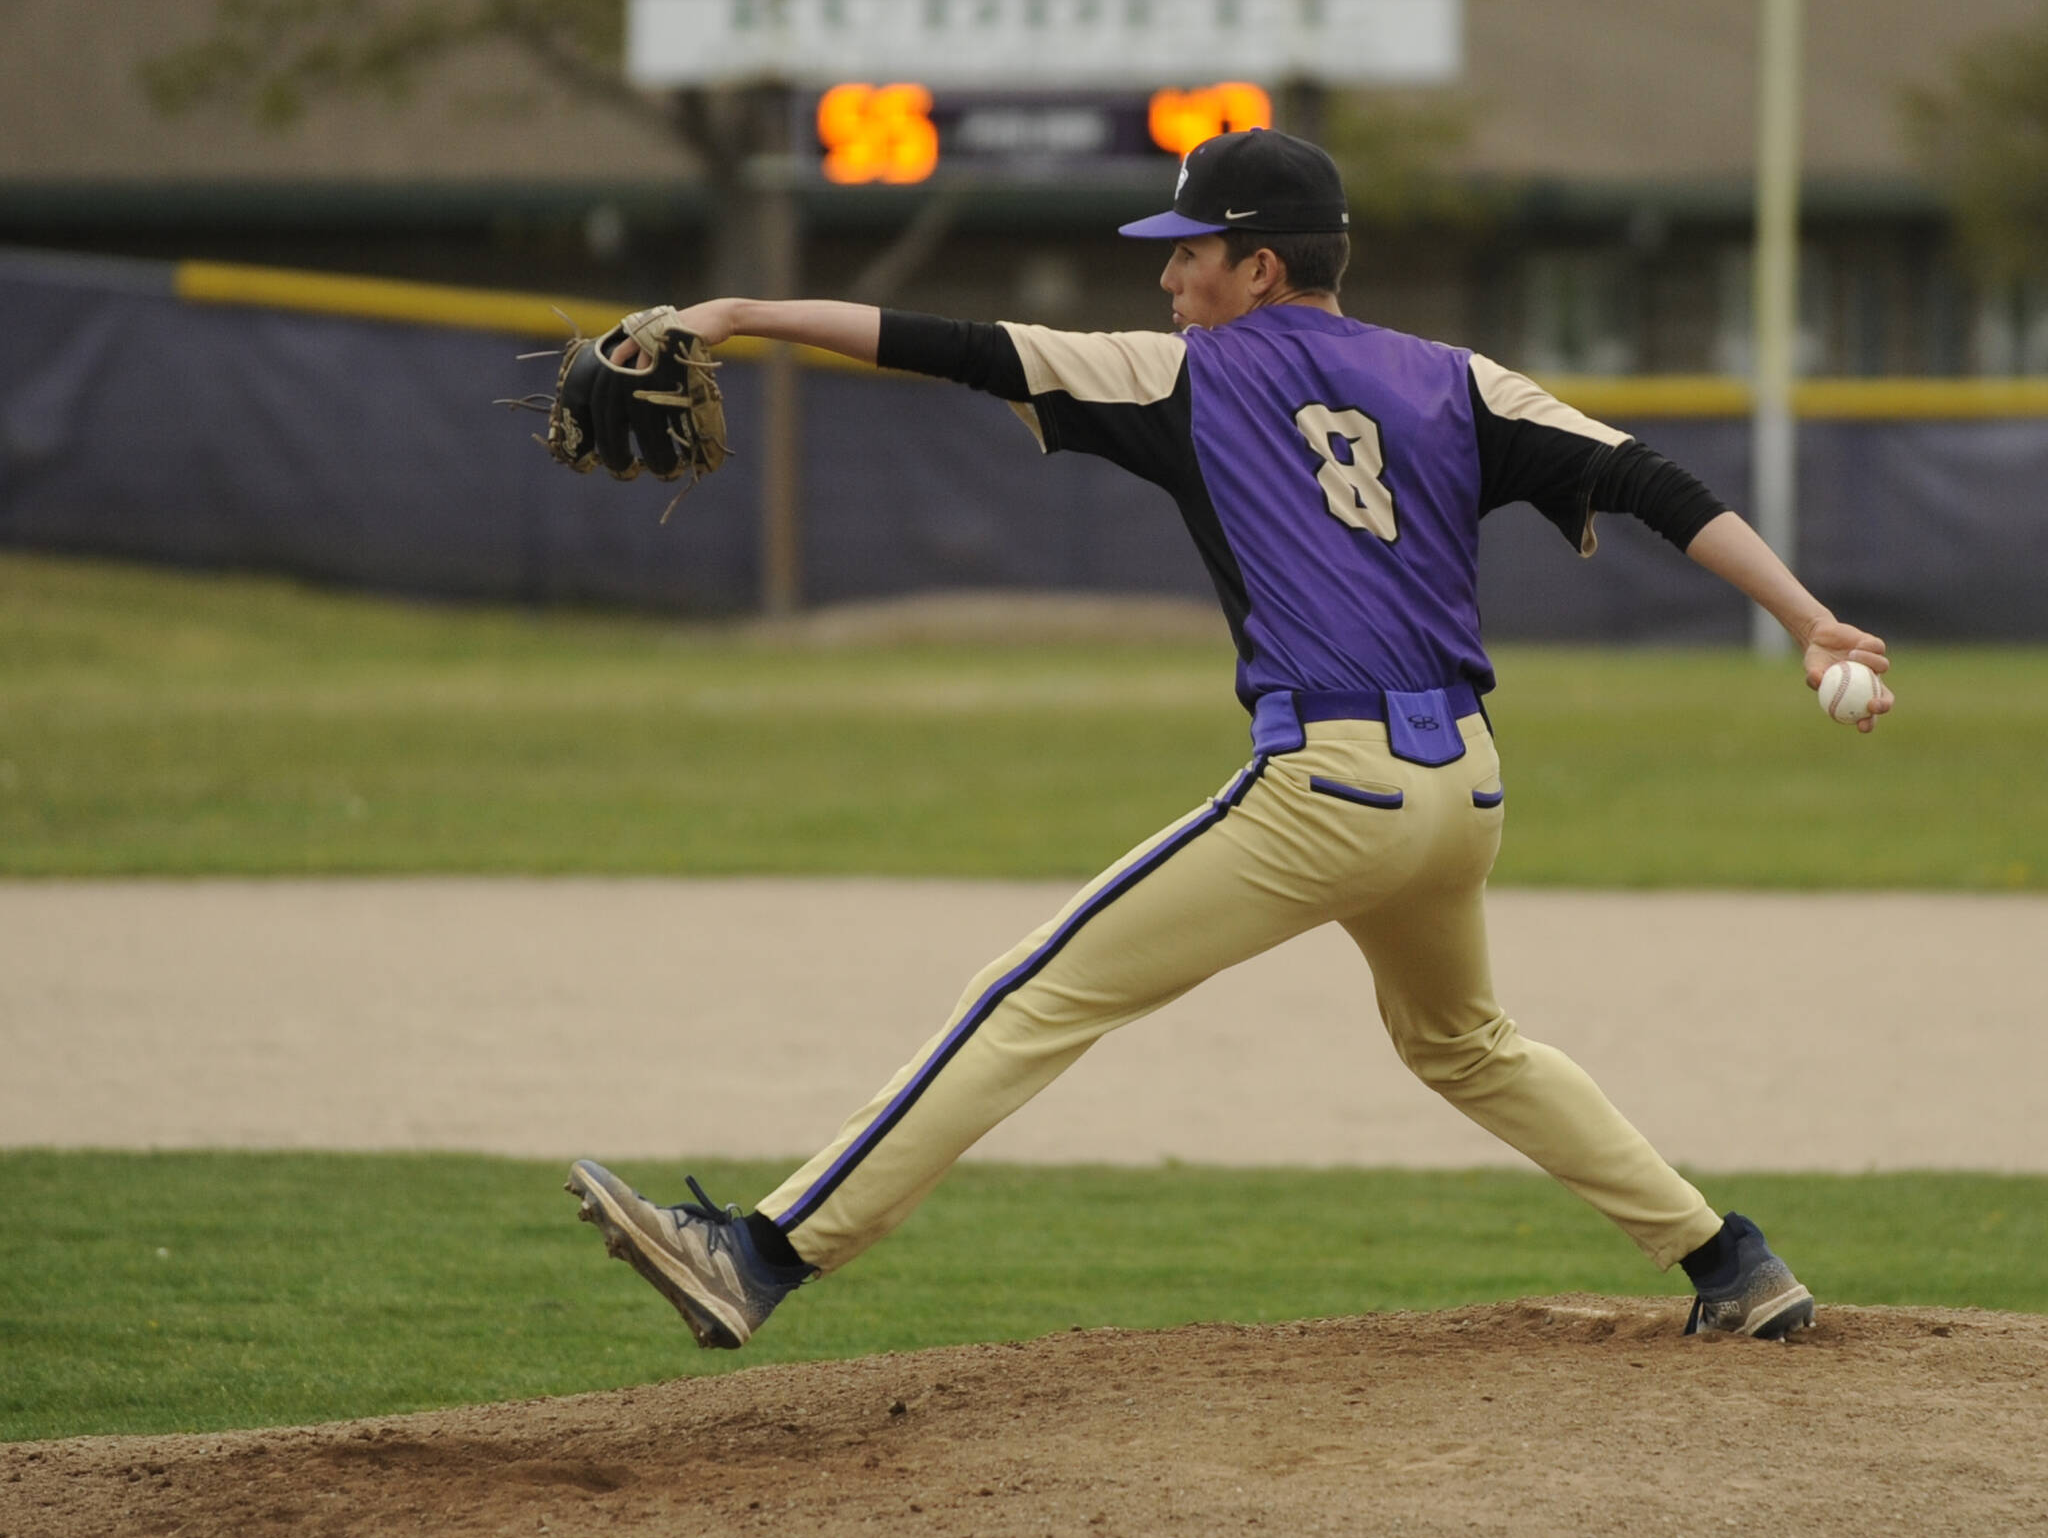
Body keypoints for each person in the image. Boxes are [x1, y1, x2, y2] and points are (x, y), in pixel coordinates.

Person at [567, 128, 1893, 1348]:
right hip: (1466, 792)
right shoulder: (1456, 379)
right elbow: (1655, 481)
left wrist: (735, 313)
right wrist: (1811, 618)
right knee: (1463, 1044)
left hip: (1330, 788)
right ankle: (1731, 1261)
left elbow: (946, 342)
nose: (1169, 281)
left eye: (1190, 254)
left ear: (1261, 266)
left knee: (1036, 992)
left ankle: (759, 1252)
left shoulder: (1184, 375)